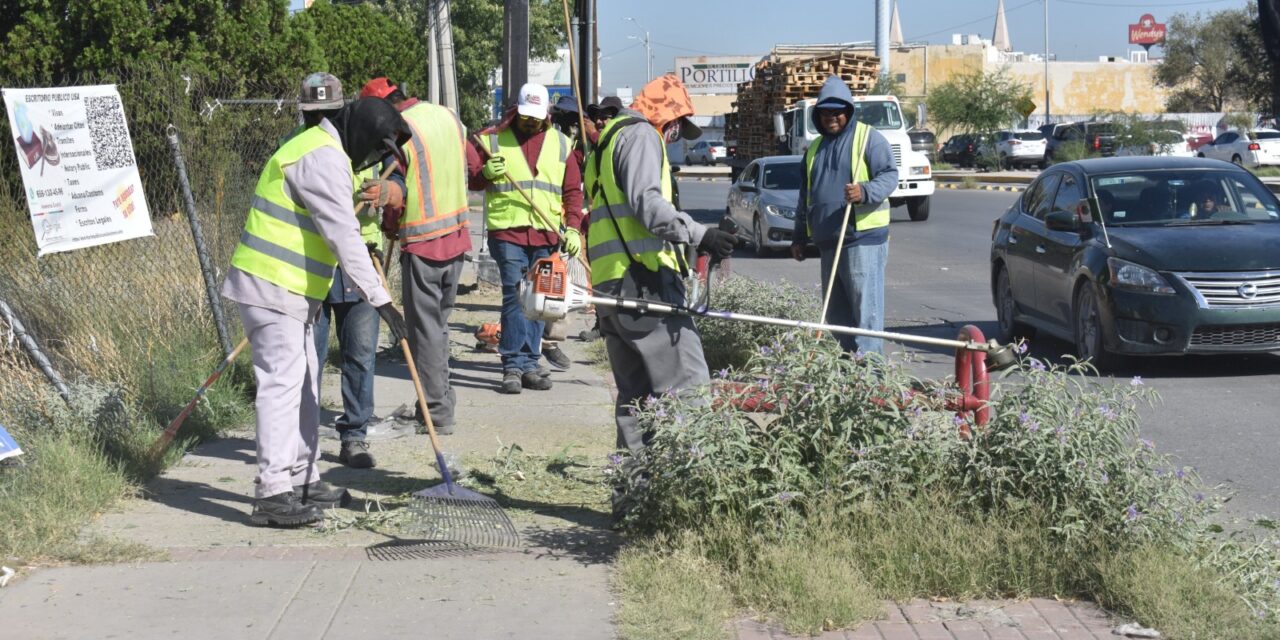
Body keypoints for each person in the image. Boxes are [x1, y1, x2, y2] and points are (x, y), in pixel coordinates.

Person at [221, 72, 410, 527]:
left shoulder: (324, 152)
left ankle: (303, 475)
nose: (373, 160)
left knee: (304, 384)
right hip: (272, 285)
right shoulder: (321, 158)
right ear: (362, 133)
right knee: (282, 386)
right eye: (377, 149)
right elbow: (344, 236)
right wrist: (382, 299)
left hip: (290, 288)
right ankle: (272, 493)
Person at [584, 73, 737, 465]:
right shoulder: (640, 136)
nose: (672, 137)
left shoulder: (607, 141)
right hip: (642, 283)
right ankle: (689, 488)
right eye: (675, 127)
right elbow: (648, 206)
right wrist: (701, 235)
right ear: (666, 114)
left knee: (634, 400)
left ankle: (633, 494)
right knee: (687, 386)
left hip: (611, 286)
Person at [358, 77, 469, 435]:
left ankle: (436, 413)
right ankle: (440, 402)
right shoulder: (447, 117)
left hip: (424, 243)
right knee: (439, 328)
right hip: (457, 236)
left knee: (426, 334)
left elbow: (400, 190)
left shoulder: (400, 131)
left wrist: (390, 217)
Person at [302, 78, 402, 470]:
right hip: (314, 266)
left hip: (363, 263)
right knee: (309, 359)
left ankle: (354, 436)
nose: (321, 120)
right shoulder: (300, 148)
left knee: (360, 355)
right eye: (314, 114)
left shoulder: (365, 139)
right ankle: (302, 440)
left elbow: (398, 180)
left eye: (328, 113)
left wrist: (387, 191)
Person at [467, 83, 583, 394]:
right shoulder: (491, 140)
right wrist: (486, 173)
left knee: (540, 301)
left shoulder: (561, 144)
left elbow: (573, 192)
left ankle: (530, 363)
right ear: (516, 111)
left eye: (537, 117)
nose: (531, 122)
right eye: (526, 116)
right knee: (516, 296)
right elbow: (472, 179)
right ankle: (513, 365)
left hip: (546, 233)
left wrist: (572, 227)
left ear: (546, 114)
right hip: (507, 231)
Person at [790, 75, 899, 355]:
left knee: (866, 316)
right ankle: (849, 373)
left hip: (861, 239)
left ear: (848, 111)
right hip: (829, 243)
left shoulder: (867, 139)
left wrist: (864, 191)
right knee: (836, 317)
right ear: (819, 115)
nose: (832, 117)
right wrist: (799, 236)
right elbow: (806, 196)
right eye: (826, 112)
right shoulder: (814, 149)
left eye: (838, 111)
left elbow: (889, 175)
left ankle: (871, 378)